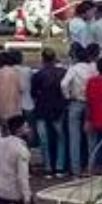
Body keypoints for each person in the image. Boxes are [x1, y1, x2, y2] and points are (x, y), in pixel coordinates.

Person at [62, 43, 99, 175]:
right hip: (91, 103)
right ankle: (91, 167)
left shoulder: (74, 68)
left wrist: (67, 95)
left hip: (76, 102)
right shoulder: (93, 68)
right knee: (91, 137)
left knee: (74, 137)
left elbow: (64, 84)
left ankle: (75, 169)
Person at [31, 49, 68, 178]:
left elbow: (34, 93)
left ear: (43, 59)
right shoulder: (63, 73)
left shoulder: (38, 75)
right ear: (54, 58)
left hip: (41, 109)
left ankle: (48, 168)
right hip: (58, 109)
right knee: (60, 138)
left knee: (44, 139)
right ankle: (60, 167)